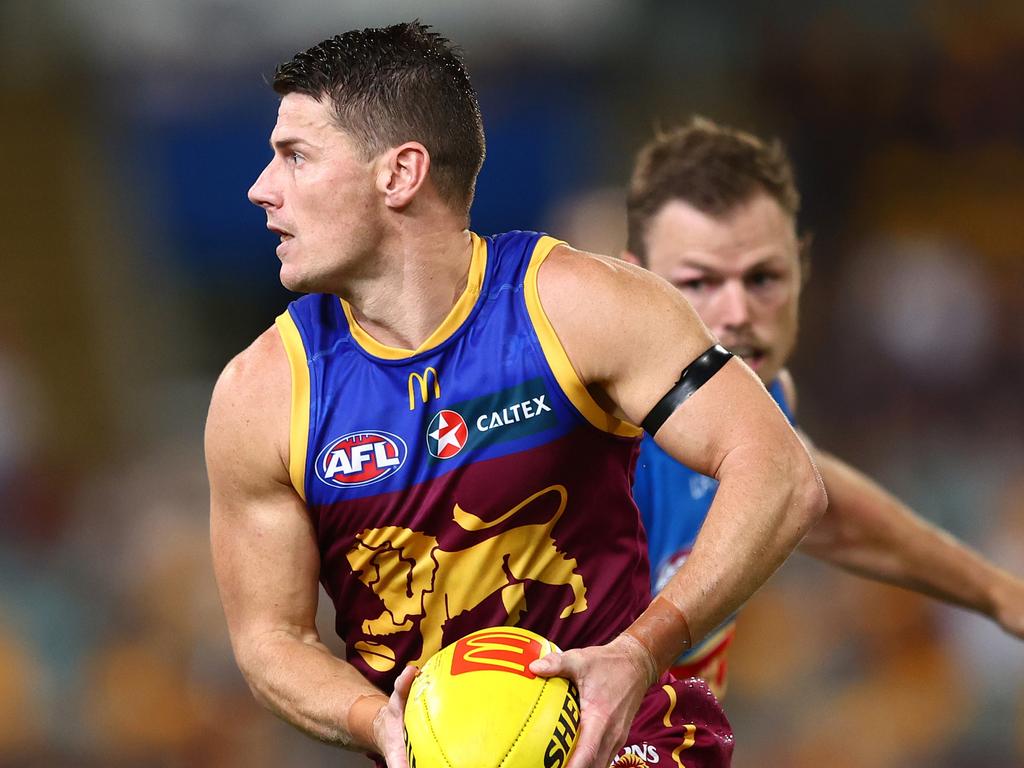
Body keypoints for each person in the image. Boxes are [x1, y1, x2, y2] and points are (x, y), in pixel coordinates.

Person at [205, 22, 827, 768]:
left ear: (399, 174)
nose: (261, 188)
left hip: (634, 746)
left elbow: (779, 473)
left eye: (295, 157)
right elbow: (272, 639)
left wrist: (639, 653)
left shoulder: (577, 308)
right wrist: (381, 725)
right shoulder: (263, 394)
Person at [624, 116, 1024, 701]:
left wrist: (1000, 595)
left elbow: (815, 499)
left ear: (801, 271)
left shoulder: (758, 406)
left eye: (762, 278)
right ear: (630, 283)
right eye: (698, 282)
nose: (736, 311)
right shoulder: (573, 429)